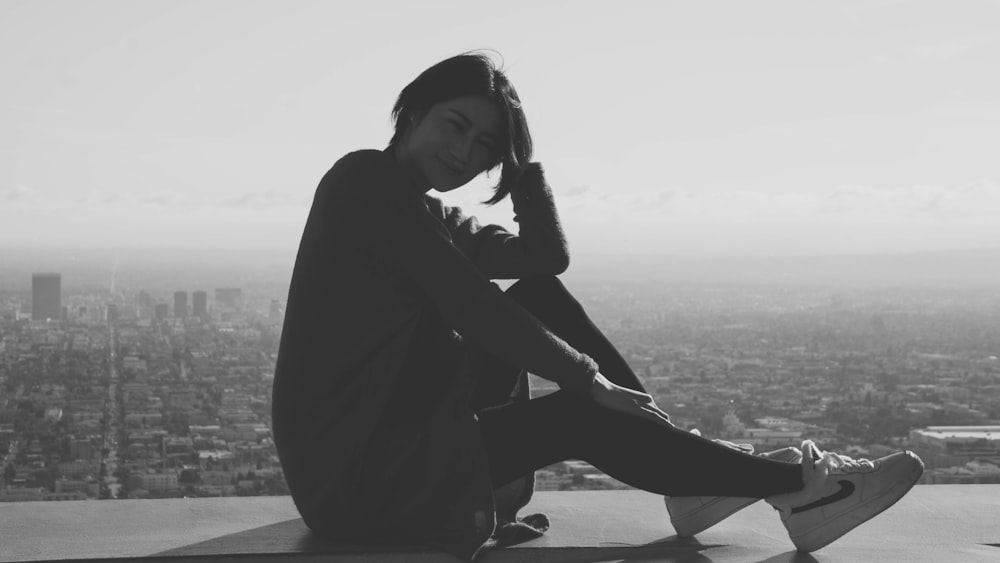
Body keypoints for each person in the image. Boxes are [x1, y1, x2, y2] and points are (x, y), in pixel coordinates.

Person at [271, 51, 924, 561]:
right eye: (456, 125)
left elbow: (541, 263)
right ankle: (798, 489)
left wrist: (522, 171)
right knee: (586, 412)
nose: (466, 153)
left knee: (539, 298)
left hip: (405, 446)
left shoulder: (429, 212)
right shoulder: (367, 183)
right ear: (413, 111)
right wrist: (588, 377)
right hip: (365, 482)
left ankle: (689, 472)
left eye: (486, 148)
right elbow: (473, 306)